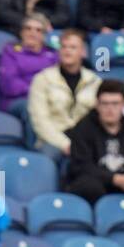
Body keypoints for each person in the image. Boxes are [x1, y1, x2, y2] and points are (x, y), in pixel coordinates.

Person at [63, 79, 124, 201]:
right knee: (89, 186)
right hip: (97, 182)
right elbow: (81, 167)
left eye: (115, 103)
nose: (110, 109)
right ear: (97, 104)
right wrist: (116, 179)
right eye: (105, 104)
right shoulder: (83, 128)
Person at [27, 28, 100, 161]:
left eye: (73, 47)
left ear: (83, 52)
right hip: (52, 139)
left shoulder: (95, 81)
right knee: (47, 158)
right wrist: (65, 144)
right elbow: (40, 121)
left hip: (85, 138)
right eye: (64, 47)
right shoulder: (42, 79)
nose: (67, 51)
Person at [0, 13, 58, 115]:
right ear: (21, 32)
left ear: (44, 36)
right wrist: (37, 91)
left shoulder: (52, 55)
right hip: (18, 100)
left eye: (38, 30)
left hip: (48, 98)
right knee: (34, 107)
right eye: (28, 28)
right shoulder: (10, 51)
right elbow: (9, 84)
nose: (32, 33)